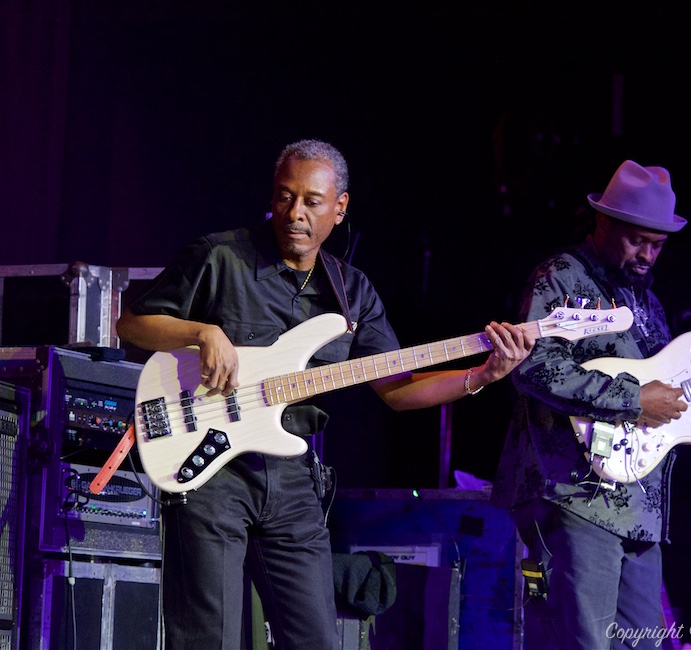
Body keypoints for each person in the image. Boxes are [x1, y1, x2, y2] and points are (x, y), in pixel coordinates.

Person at [115, 139, 536, 650]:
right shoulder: (219, 256)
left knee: (317, 638)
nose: (294, 213)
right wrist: (201, 333)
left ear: (340, 208)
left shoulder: (351, 291)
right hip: (211, 471)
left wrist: (484, 376)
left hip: (293, 480)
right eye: (285, 197)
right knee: (210, 637)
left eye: (312, 202)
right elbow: (133, 323)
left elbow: (398, 390)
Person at [490, 160, 691, 649]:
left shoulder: (648, 303)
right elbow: (534, 366)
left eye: (658, 245)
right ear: (603, 222)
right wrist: (632, 399)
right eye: (637, 240)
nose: (648, 254)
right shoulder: (563, 278)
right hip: (574, 496)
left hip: (639, 509)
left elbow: (667, 417)